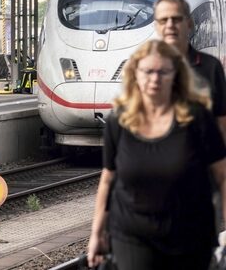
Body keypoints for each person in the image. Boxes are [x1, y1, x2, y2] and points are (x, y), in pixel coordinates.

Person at [87, 40, 226, 270]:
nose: (155, 79)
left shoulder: (197, 119)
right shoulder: (118, 121)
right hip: (132, 235)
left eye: (163, 72)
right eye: (148, 71)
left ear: (176, 75)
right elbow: (108, 179)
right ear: (135, 74)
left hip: (190, 234)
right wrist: (96, 234)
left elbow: (222, 175)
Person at [153, 0, 226, 140]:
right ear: (156, 26)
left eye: (176, 19)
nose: (170, 25)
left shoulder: (211, 67)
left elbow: (222, 121)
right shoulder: (143, 67)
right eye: (163, 20)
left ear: (190, 23)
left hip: (201, 158)